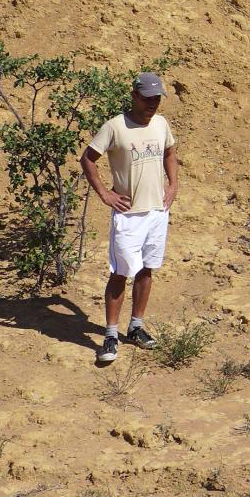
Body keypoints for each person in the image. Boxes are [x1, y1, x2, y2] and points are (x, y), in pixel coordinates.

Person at [80, 71, 179, 364]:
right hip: (128, 216)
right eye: (148, 98)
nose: (153, 104)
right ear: (134, 96)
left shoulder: (161, 124)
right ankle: (110, 334)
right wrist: (105, 194)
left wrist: (173, 186)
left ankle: (136, 327)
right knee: (120, 273)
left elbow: (170, 152)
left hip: (157, 212)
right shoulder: (114, 127)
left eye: (157, 98)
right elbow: (88, 158)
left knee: (147, 269)